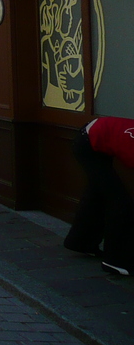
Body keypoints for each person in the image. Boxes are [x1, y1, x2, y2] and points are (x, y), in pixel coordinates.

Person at [64, 116, 134, 276]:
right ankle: (116, 261)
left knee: (96, 195)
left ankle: (80, 242)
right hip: (87, 144)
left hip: (96, 139)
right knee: (121, 204)